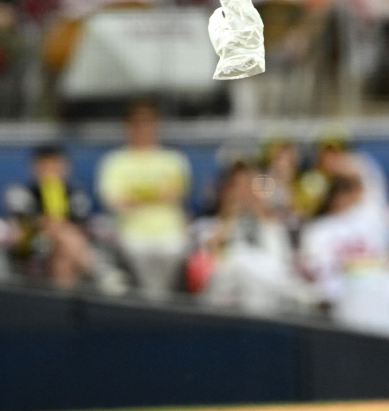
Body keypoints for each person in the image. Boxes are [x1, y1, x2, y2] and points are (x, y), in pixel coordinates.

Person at [97, 100, 191, 298]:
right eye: (138, 123)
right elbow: (115, 201)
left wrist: (137, 197)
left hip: (169, 230)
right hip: (131, 231)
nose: (144, 129)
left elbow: (174, 196)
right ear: (128, 127)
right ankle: (155, 304)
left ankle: (157, 302)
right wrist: (155, 196)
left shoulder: (173, 159)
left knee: (173, 250)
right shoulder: (115, 161)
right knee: (139, 253)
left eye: (149, 123)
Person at [192, 161, 309, 315]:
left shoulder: (273, 227)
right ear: (227, 190)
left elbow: (281, 263)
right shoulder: (209, 225)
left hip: (267, 293)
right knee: (239, 257)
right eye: (238, 186)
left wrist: (260, 210)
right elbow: (206, 262)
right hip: (224, 292)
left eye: (249, 186)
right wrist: (230, 215)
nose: (244, 193)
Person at [299, 172, 389, 335]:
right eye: (342, 193)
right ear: (332, 196)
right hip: (340, 290)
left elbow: (382, 258)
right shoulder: (318, 229)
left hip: (373, 284)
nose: (345, 199)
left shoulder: (366, 223)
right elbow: (317, 270)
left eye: (349, 193)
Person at [5, 144, 95, 289]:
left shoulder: (75, 193)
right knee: (63, 238)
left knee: (63, 259)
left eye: (55, 165)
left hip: (64, 248)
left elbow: (81, 226)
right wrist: (52, 224)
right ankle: (94, 269)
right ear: (34, 167)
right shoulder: (20, 192)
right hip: (33, 247)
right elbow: (26, 225)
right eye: (45, 165)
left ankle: (62, 303)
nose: (50, 170)